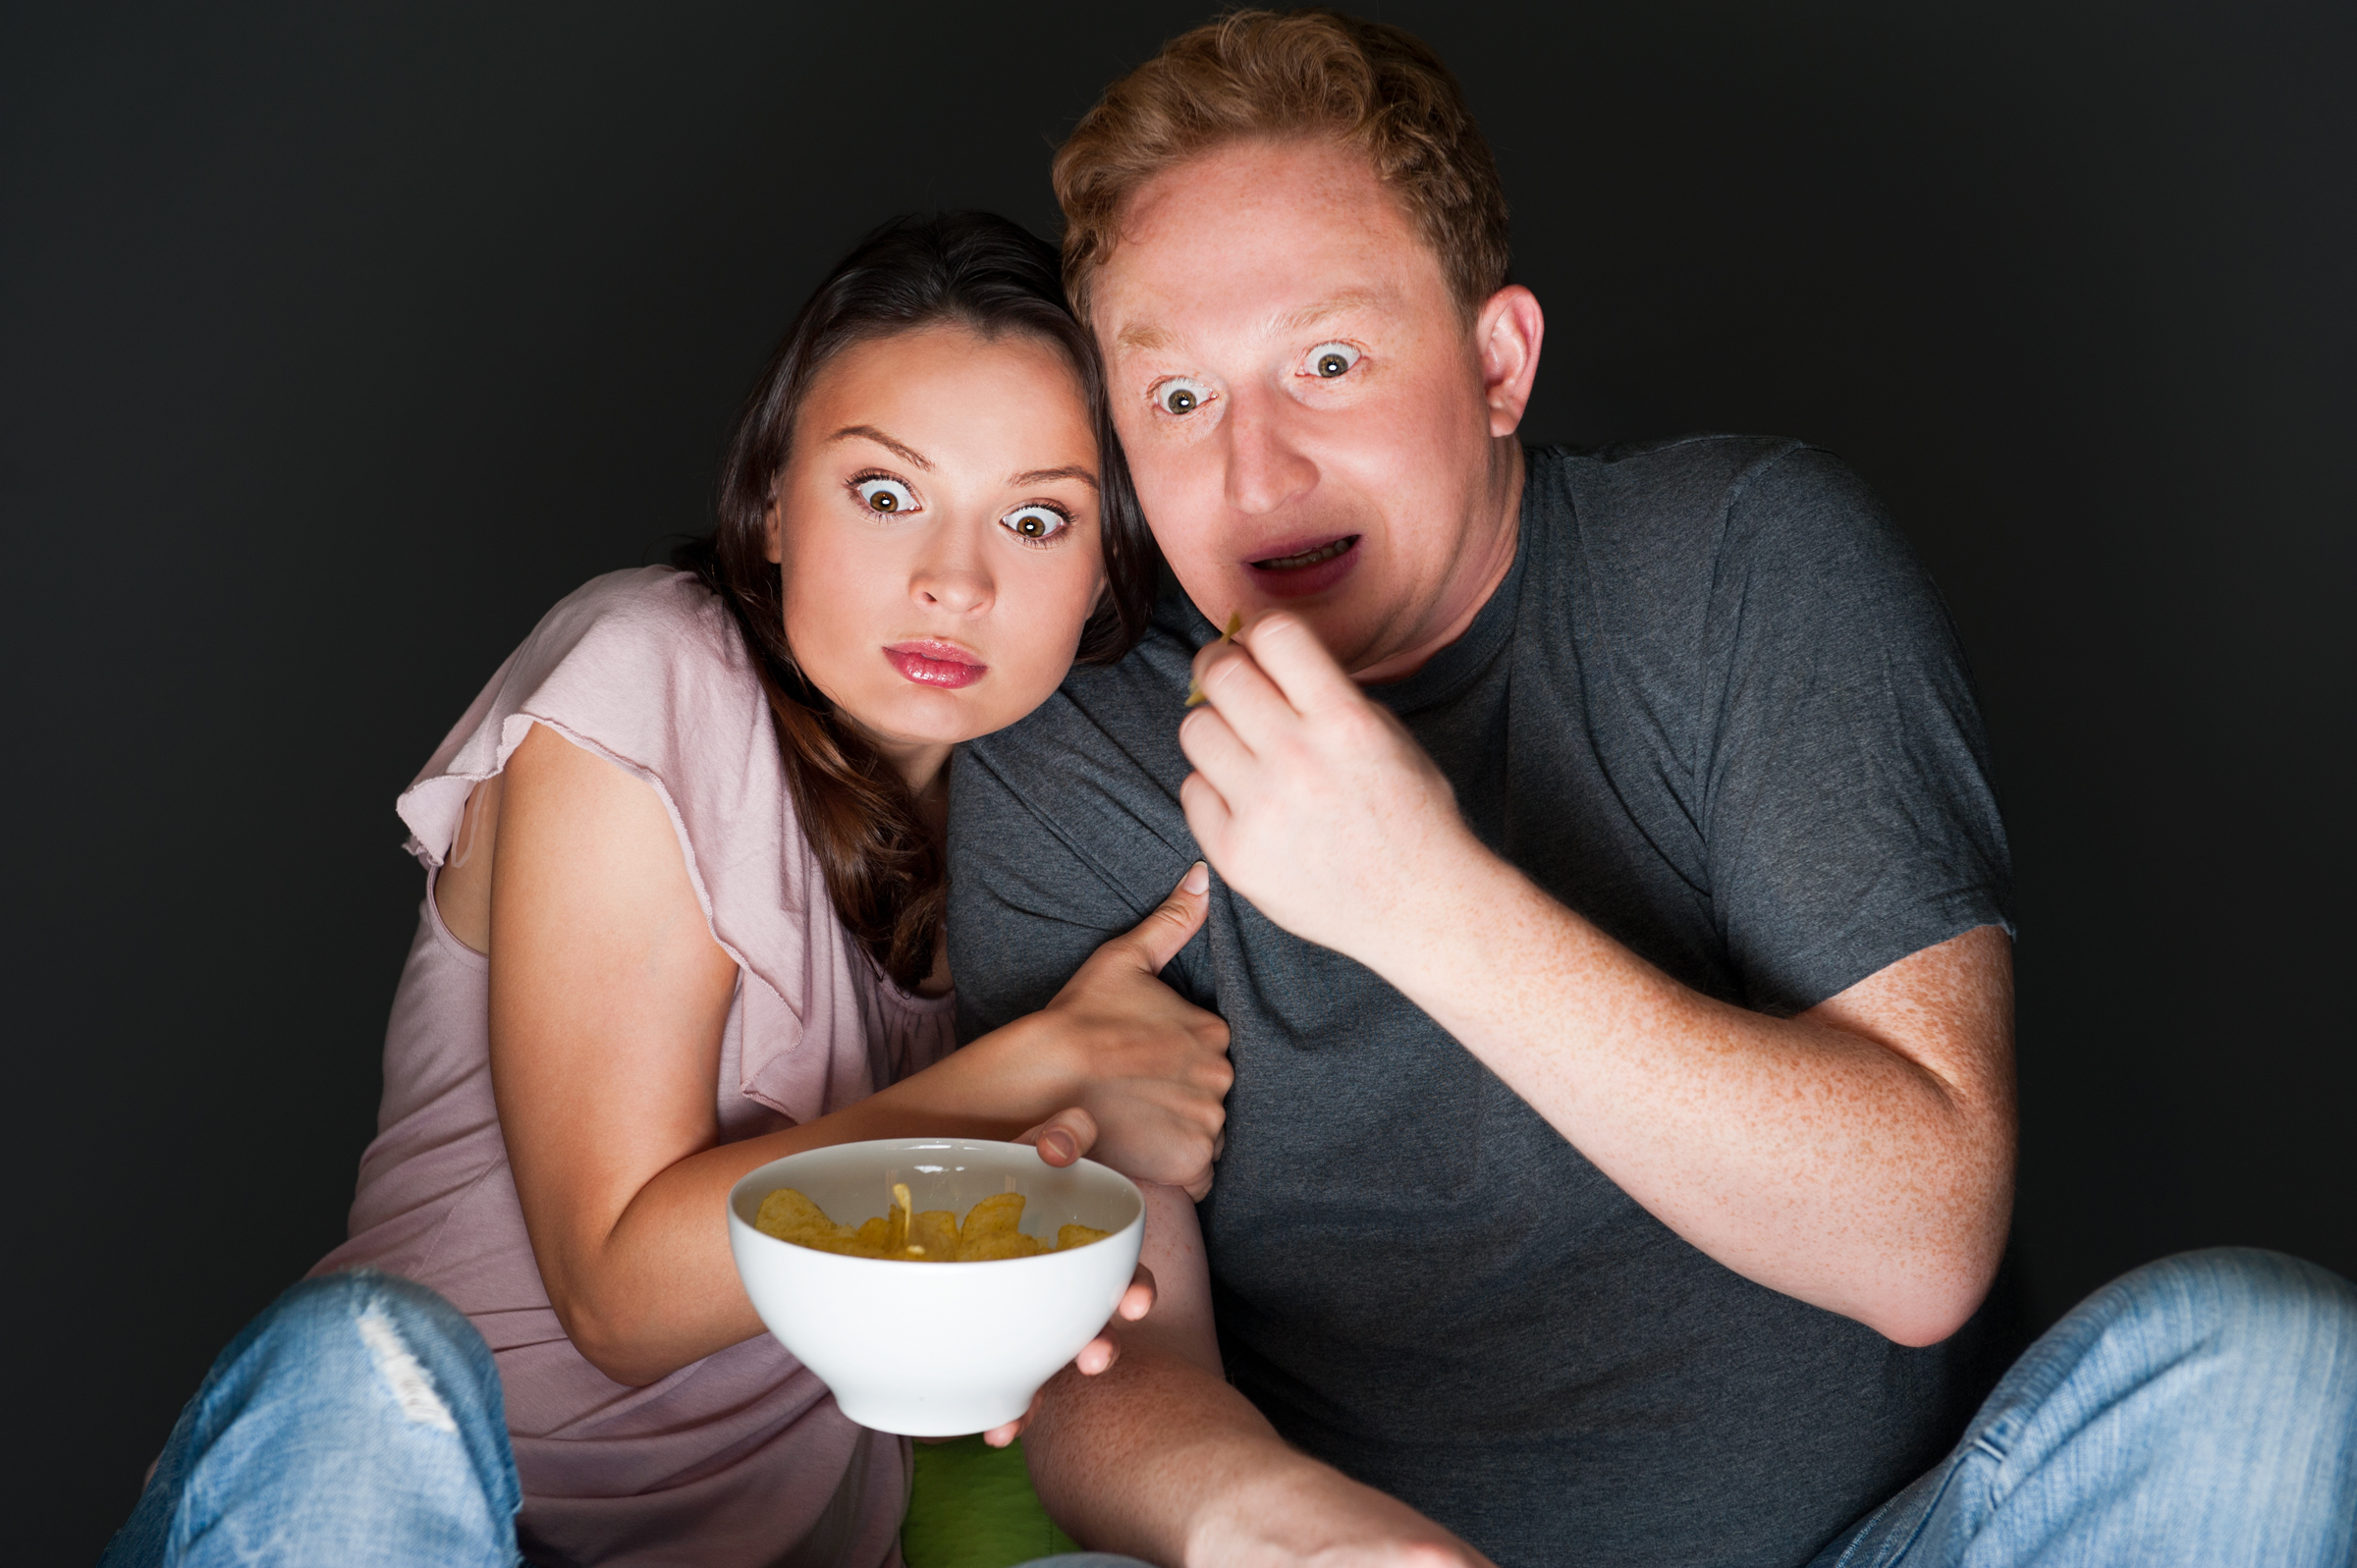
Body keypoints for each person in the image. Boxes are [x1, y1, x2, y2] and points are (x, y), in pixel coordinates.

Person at [946, 12, 2357, 1568]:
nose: (1255, 472)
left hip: (1877, 1551)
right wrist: (1268, 1525)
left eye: (1329, 363)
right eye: (1180, 399)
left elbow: (1923, 1235)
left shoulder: (1749, 565)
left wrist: (1418, 898)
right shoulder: (1066, 745)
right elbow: (1098, 1349)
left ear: (1498, 362)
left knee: (2274, 1374)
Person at [101, 213, 1226, 1568]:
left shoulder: (1052, 829)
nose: (953, 580)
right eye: (885, 493)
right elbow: (619, 1289)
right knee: (359, 1366)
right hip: (392, 1502)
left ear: (1105, 572)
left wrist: (1054, 1296)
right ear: (768, 511)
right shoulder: (647, 670)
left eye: (1036, 517)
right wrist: (1042, 1068)